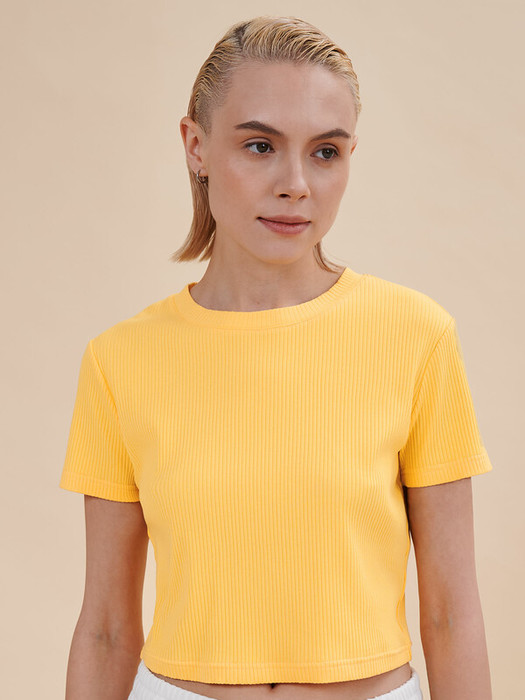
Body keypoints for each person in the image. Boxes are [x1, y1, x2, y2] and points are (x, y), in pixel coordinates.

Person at [59, 15, 493, 700]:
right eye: (260, 145)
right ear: (196, 146)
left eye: (326, 152)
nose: (296, 183)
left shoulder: (416, 337)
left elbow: (450, 614)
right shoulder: (120, 360)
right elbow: (107, 629)